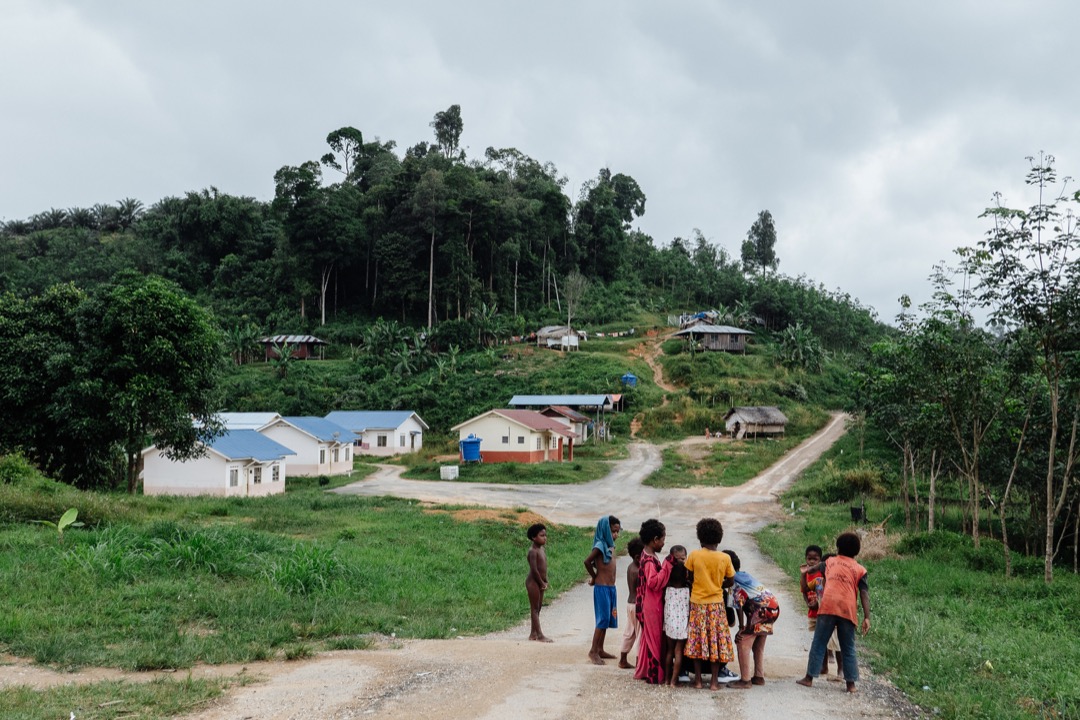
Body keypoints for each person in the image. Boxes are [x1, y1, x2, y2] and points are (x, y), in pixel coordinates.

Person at [797, 532, 871, 694]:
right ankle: (850, 685)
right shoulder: (860, 569)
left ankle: (809, 678)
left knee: (819, 642)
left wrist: (805, 571)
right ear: (857, 551)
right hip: (847, 609)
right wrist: (867, 617)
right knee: (848, 647)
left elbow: (812, 570)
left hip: (828, 606)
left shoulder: (830, 561)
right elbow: (864, 593)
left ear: (838, 548)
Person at [683, 518, 738, 689]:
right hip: (716, 605)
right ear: (719, 538)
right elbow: (731, 579)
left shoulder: (694, 555)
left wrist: (697, 584)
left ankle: (698, 680)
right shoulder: (725, 558)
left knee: (698, 641)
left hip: (697, 604)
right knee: (715, 641)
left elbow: (689, 577)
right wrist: (719, 585)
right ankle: (714, 681)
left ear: (700, 538)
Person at [726, 550, 779, 689]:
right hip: (773, 607)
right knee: (758, 644)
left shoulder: (733, 581)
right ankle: (759, 676)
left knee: (743, 641)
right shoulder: (744, 575)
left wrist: (742, 628)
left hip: (760, 610)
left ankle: (745, 680)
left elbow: (739, 605)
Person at [634, 518, 673, 684]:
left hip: (644, 602)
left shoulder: (646, 554)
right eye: (663, 539)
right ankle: (654, 673)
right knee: (654, 639)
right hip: (651, 605)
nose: (664, 543)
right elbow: (653, 582)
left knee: (647, 638)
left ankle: (645, 670)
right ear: (655, 539)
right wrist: (667, 565)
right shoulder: (650, 560)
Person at [584, 515, 622, 665]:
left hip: (611, 588)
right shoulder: (600, 545)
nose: (616, 535)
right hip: (602, 588)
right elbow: (587, 561)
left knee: (607, 619)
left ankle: (600, 648)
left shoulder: (610, 546)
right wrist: (594, 577)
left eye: (618, 532)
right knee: (602, 620)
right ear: (606, 529)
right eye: (613, 531)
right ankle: (593, 651)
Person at [800, 545, 842, 679]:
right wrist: (803, 574)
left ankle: (841, 669)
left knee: (837, 643)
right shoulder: (818, 580)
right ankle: (824, 667)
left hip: (833, 617)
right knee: (821, 641)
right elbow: (805, 589)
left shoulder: (837, 583)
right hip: (819, 615)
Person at [662, 545, 691, 686]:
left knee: (669, 651)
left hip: (669, 625)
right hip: (682, 626)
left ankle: (667, 679)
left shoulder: (667, 589)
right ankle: (674, 681)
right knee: (678, 652)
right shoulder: (687, 591)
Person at [618, 537, 645, 669]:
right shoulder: (639, 570)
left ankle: (622, 659)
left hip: (630, 604)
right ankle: (640, 662)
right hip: (638, 605)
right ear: (637, 556)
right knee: (640, 634)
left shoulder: (630, 567)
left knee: (629, 632)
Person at [525, 523, 553, 643]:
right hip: (533, 582)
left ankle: (533, 633)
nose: (545, 538)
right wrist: (541, 582)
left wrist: (545, 580)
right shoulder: (533, 551)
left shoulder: (542, 549)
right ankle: (540, 635)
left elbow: (543, 568)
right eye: (542, 535)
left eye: (545, 535)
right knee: (535, 609)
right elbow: (534, 569)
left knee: (538, 608)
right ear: (533, 537)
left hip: (540, 582)